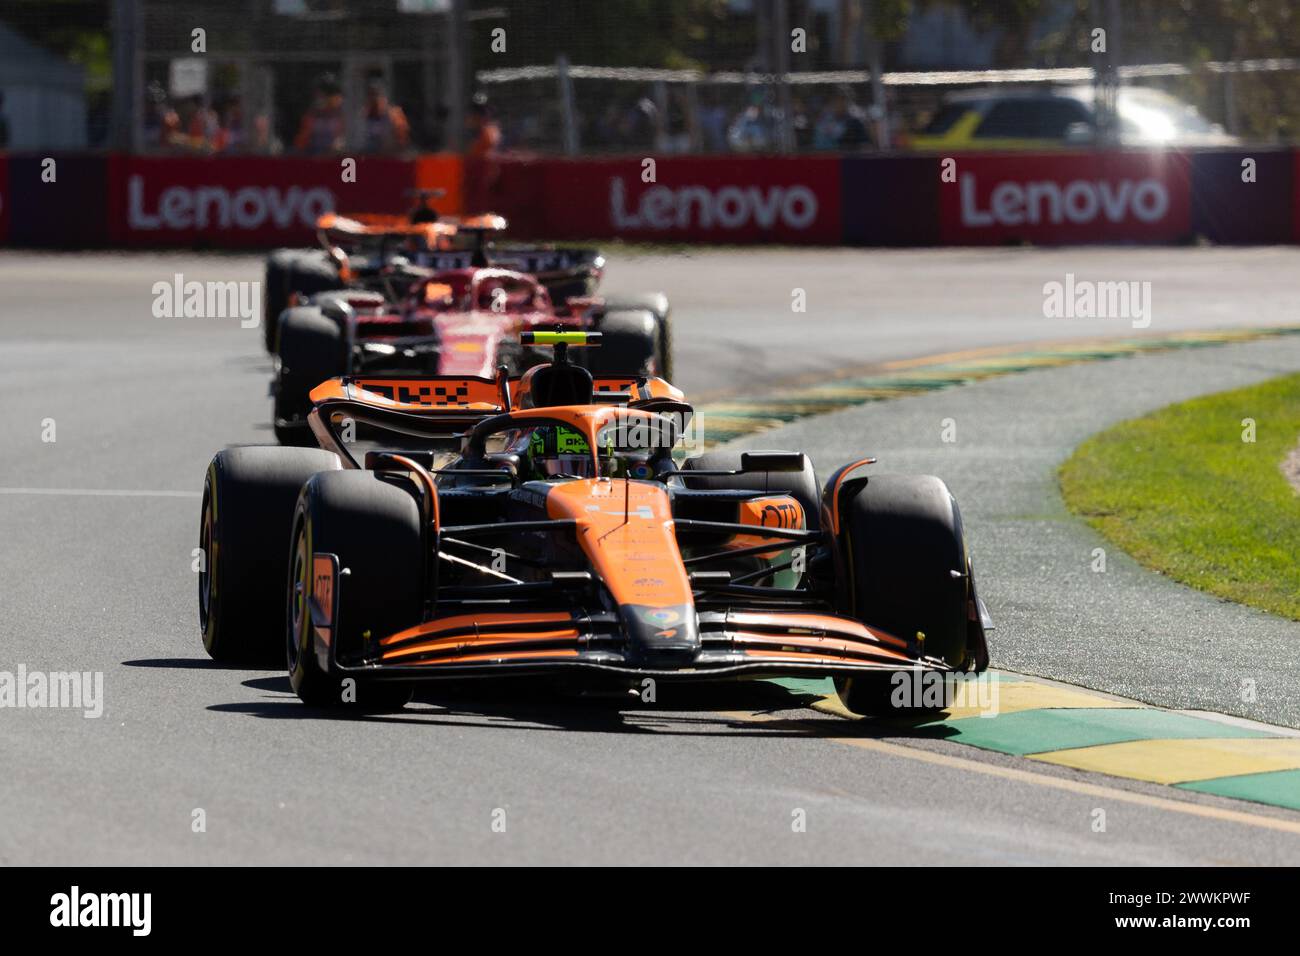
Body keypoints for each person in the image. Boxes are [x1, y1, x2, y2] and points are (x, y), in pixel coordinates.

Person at [294, 73, 347, 154]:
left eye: (330, 93)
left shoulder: (344, 116)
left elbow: (351, 142)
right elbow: (300, 145)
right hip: (313, 158)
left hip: (337, 160)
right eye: (322, 92)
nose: (323, 97)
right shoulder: (310, 116)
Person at [359, 79, 410, 153]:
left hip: (390, 155)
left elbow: (403, 136)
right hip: (371, 154)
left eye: (376, 95)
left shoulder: (394, 114)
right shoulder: (365, 114)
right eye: (371, 95)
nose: (374, 99)